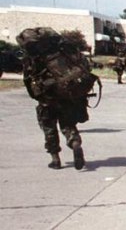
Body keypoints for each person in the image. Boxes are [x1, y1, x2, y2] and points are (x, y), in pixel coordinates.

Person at [18, 27, 97, 170]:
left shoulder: (33, 57)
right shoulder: (63, 51)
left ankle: (55, 159)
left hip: (47, 98)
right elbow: (85, 65)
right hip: (66, 96)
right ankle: (75, 143)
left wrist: (37, 94)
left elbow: (28, 79)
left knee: (49, 128)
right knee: (68, 124)